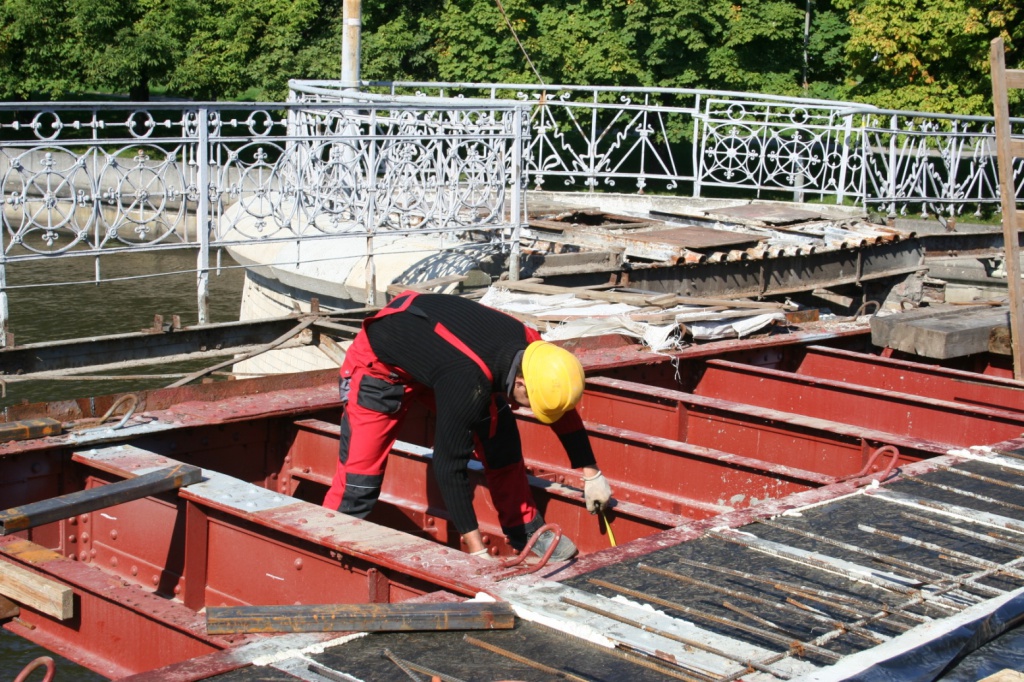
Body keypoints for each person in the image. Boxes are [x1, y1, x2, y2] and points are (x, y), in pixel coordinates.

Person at [323, 291, 612, 561]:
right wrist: (476, 551)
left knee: (501, 441)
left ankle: (524, 528)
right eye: (531, 403)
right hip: (383, 369)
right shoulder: (466, 381)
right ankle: (329, 538)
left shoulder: (535, 349)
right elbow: (449, 465)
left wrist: (591, 471)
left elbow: (559, 404)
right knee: (359, 479)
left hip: (441, 354)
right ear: (521, 383)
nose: (533, 410)